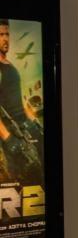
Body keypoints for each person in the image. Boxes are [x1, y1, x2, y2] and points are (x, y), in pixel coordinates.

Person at [0, 19, 41, 181]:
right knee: (21, 179)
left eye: (7, 34)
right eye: (1, 35)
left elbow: (19, 99)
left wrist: (33, 121)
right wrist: (7, 137)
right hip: (11, 131)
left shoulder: (9, 65)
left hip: (24, 128)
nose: (5, 39)